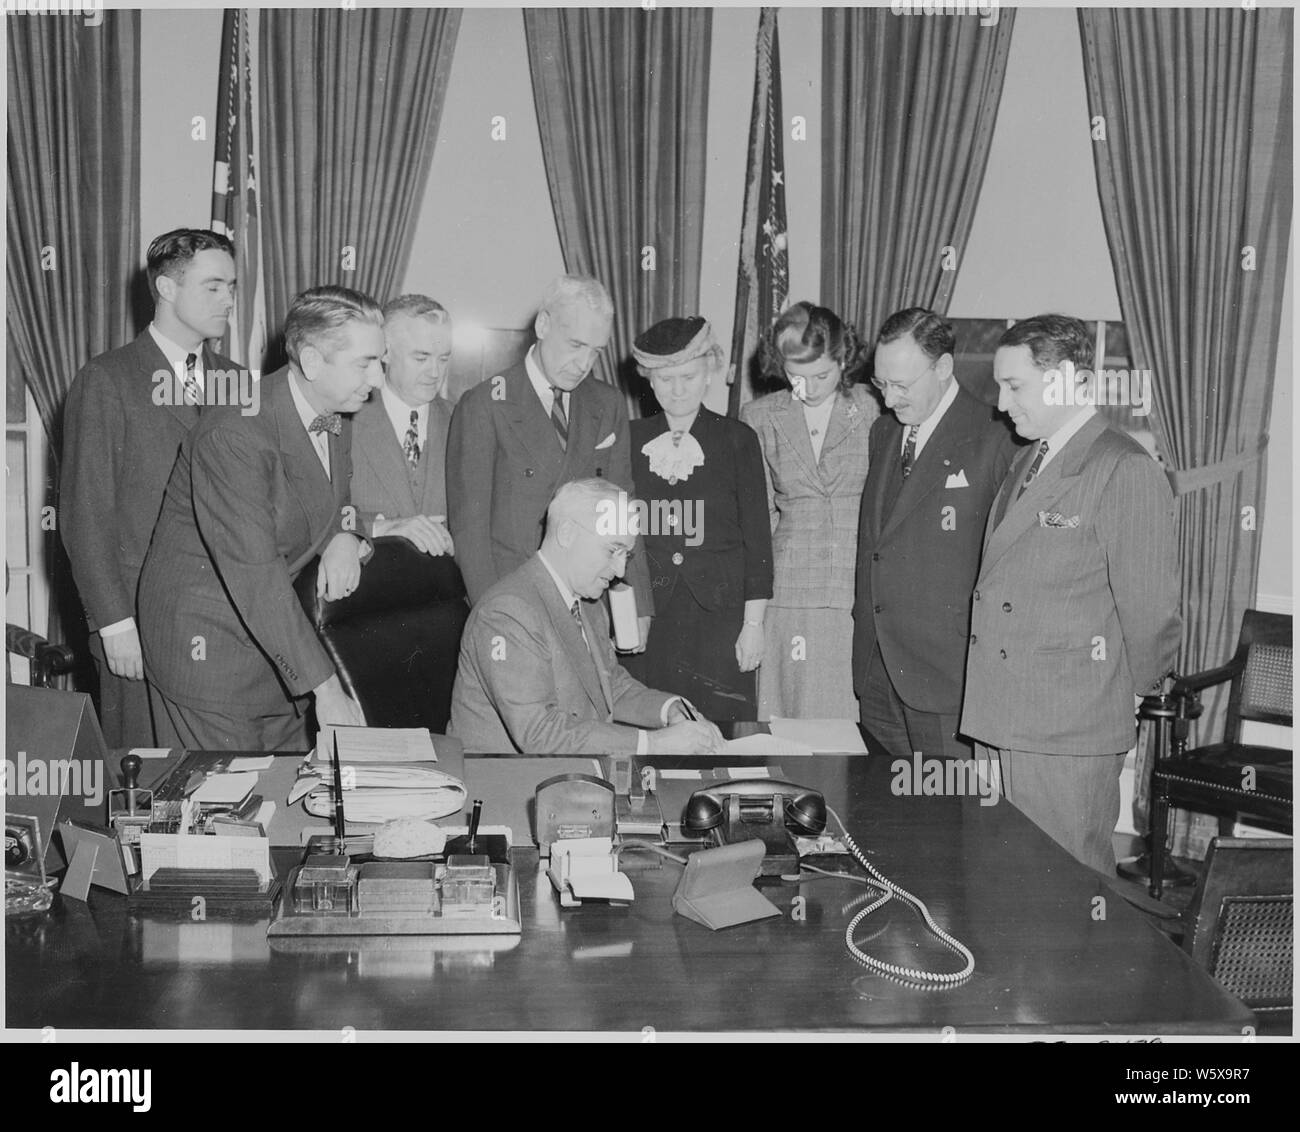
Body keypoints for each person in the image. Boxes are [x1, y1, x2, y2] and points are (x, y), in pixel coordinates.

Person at [961, 314, 1181, 875]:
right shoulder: (1028, 459)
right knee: (1002, 883)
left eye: (1015, 386)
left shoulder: (1122, 467)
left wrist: (1125, 694)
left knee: (1064, 892)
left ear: (1063, 379)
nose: (1001, 404)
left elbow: (1151, 609)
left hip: (1065, 726)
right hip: (1000, 715)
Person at [138, 286, 383, 751]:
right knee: (224, 811)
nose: (377, 379)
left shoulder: (335, 412)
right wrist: (327, 689)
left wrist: (344, 536)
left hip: (273, 644)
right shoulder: (234, 432)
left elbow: (330, 502)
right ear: (311, 362)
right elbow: (256, 573)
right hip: (209, 649)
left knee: (283, 798)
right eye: (365, 362)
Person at [61, 229, 237, 747]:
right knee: (147, 785)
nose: (229, 298)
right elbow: (84, 515)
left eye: (232, 285)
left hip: (227, 624)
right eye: (213, 286)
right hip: (140, 623)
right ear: (166, 288)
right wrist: (113, 623)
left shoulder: (240, 382)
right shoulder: (107, 379)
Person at [449, 479, 726, 755]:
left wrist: (669, 709)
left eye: (626, 555)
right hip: (506, 785)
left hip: (566, 776)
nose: (619, 570)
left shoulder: (588, 604)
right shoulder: (508, 612)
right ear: (567, 533)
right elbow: (539, 732)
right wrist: (654, 743)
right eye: (612, 550)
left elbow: (609, 686)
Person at [446, 274, 651, 646]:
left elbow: (623, 509)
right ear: (543, 325)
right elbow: (470, 532)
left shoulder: (608, 404)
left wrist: (637, 604)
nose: (583, 363)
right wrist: (497, 618)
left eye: (595, 351)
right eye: (575, 344)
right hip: (514, 600)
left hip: (588, 604)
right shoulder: (484, 404)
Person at [852, 308, 1018, 761]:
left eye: (901, 386)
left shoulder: (996, 436)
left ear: (943, 368)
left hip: (948, 681)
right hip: (877, 672)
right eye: (881, 384)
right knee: (880, 819)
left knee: (944, 821)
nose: (889, 400)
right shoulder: (883, 433)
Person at [624, 317, 772, 721]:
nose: (676, 390)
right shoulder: (630, 439)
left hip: (721, 619)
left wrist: (753, 625)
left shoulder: (738, 439)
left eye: (687, 376)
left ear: (709, 370)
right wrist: (628, 615)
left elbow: (758, 540)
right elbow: (619, 538)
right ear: (648, 380)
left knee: (723, 735)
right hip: (651, 616)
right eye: (664, 379)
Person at [740, 302, 879, 718]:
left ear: (843, 358)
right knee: (787, 718)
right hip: (788, 592)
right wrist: (754, 619)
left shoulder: (875, 408)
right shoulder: (759, 416)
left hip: (853, 589)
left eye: (823, 374)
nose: (811, 388)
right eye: (796, 376)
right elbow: (759, 519)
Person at [350, 294, 455, 555]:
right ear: (384, 353)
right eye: (421, 358)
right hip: (366, 587)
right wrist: (379, 527)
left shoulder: (463, 421)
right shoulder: (345, 420)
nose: (434, 373)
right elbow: (316, 517)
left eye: (443, 359)